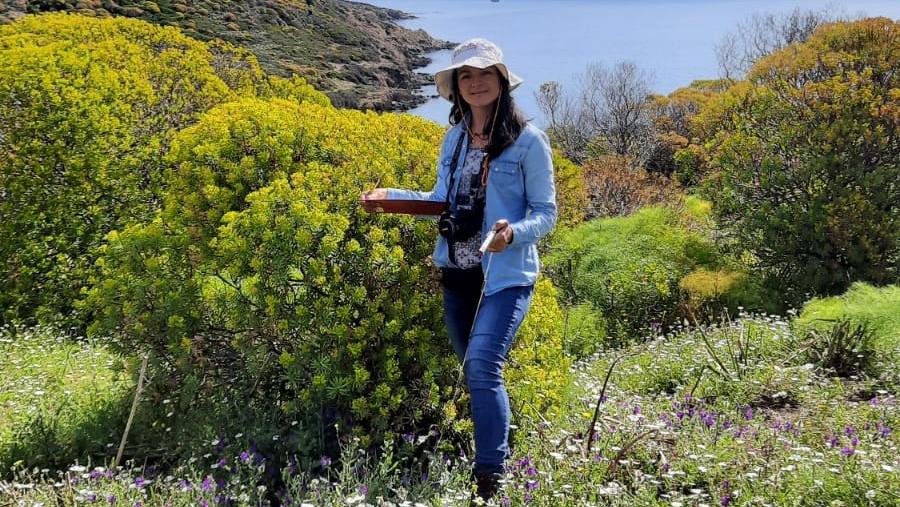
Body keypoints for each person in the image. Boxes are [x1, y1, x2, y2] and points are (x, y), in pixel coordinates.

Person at [360, 38, 557, 500]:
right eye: (465, 76)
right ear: (456, 87)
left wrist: (514, 232)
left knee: (484, 367)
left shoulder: (529, 141)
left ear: (502, 81)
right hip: (457, 272)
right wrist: (388, 199)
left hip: (505, 276)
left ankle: (491, 476)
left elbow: (546, 212)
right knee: (474, 370)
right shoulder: (454, 138)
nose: (475, 82)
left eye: (484, 73)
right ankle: (499, 437)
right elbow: (439, 201)